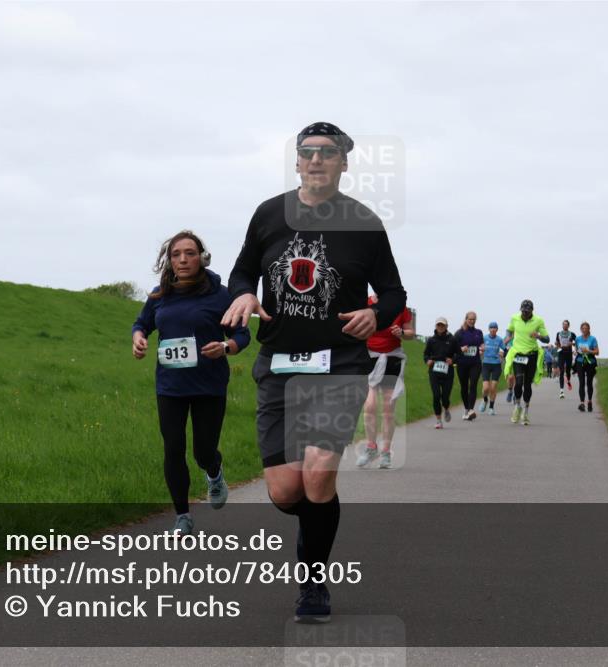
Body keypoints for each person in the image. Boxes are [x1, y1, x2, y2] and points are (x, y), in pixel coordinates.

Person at [222, 122, 407, 623]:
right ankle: (316, 522)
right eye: (308, 152)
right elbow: (242, 270)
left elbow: (394, 293)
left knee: (319, 475)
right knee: (287, 492)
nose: (317, 159)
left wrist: (377, 314)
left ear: (344, 162)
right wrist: (243, 292)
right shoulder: (268, 214)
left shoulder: (364, 222)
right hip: (279, 367)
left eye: (328, 153)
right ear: (298, 161)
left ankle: (312, 580)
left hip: (340, 366)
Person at [132, 231, 251, 535]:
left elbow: (242, 335)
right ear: (168, 260)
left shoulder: (221, 295)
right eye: (176, 254)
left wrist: (225, 348)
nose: (183, 260)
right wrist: (139, 339)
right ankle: (182, 516)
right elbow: (142, 323)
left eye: (190, 253)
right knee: (173, 448)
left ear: (202, 257)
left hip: (208, 385)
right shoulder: (160, 294)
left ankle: (214, 472)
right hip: (170, 385)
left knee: (203, 451)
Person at [357, 295, 414, 468]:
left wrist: (402, 333)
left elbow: (410, 333)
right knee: (370, 406)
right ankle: (371, 446)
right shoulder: (365, 303)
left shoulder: (399, 305)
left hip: (392, 358)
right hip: (371, 357)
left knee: (388, 410)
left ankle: (386, 452)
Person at [503, 299, 550, 425]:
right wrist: (508, 336)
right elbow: (509, 329)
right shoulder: (514, 318)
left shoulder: (538, 320)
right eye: (523, 311)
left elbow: (547, 339)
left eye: (527, 312)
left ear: (532, 311)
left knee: (527, 384)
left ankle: (526, 410)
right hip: (518, 354)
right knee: (518, 383)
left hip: (531, 355)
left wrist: (538, 336)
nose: (524, 314)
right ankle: (517, 406)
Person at [423, 317, 456, 429]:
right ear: (436, 326)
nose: (440, 327)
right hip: (434, 371)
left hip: (448, 372)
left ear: (446, 327)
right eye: (438, 325)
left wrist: (453, 360)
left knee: (445, 397)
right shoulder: (431, 340)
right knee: (436, 395)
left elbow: (459, 354)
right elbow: (425, 354)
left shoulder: (452, 339)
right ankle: (438, 420)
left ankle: (446, 408)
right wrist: (428, 360)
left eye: (442, 325)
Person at [452, 312, 484, 421]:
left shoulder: (478, 332)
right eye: (470, 319)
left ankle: (471, 410)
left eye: (474, 319)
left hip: (475, 363)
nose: (472, 321)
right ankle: (466, 409)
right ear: (466, 319)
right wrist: (461, 349)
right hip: (462, 364)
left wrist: (483, 347)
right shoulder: (459, 333)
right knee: (464, 387)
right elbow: (452, 350)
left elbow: (481, 344)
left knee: (473, 385)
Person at [479, 321, 507, 415]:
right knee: (486, 388)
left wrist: (504, 355)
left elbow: (505, 349)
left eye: (495, 328)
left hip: (496, 364)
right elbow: (480, 348)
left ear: (497, 329)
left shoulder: (499, 339)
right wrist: (480, 351)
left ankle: (491, 407)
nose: (493, 329)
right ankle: (485, 400)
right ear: (489, 329)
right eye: (491, 328)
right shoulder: (484, 338)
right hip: (486, 363)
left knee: (493, 387)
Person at [574, 321, 600, 412]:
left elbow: (597, 352)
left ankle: (589, 401)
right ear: (581, 329)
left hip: (590, 362)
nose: (584, 330)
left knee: (589, 383)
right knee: (581, 382)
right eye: (583, 328)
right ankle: (582, 403)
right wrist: (576, 351)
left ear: (589, 329)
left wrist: (588, 351)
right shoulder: (577, 339)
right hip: (580, 362)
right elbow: (576, 350)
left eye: (586, 328)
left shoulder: (593, 339)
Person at [556, 320, 577, 399]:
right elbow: (557, 343)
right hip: (561, 353)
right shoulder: (558, 334)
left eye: (566, 325)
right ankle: (561, 391)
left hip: (568, 353)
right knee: (561, 371)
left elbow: (577, 342)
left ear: (568, 326)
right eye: (563, 324)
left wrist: (572, 344)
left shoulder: (572, 334)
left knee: (568, 370)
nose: (564, 326)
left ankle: (568, 380)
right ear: (562, 325)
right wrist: (557, 345)